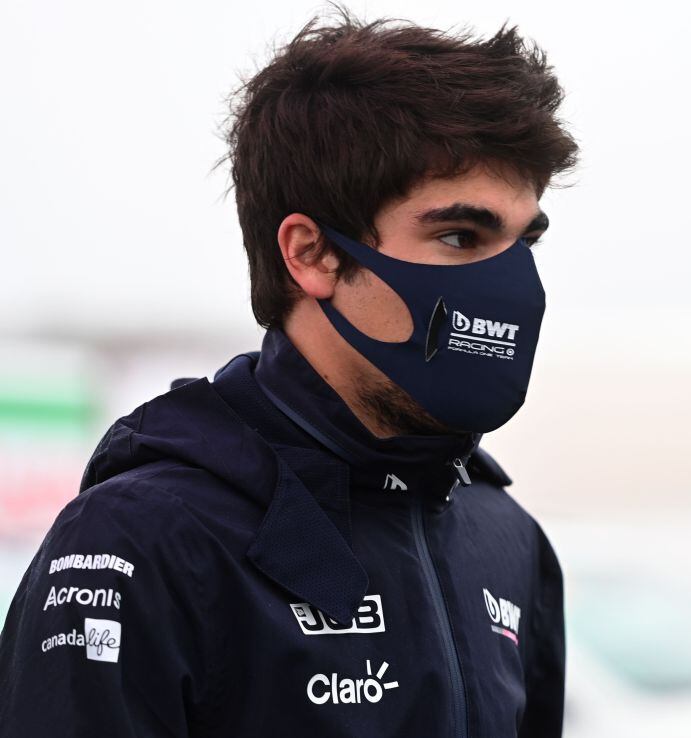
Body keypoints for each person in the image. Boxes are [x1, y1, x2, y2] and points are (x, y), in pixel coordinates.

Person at [0, 8, 578, 737]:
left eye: (523, 242)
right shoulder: (143, 540)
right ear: (311, 254)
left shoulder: (506, 538)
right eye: (460, 236)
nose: (510, 287)